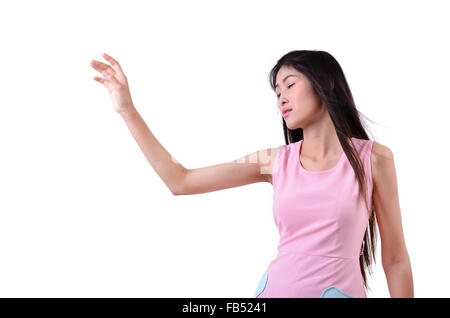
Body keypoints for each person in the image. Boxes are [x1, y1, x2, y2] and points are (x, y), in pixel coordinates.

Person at [90, 50, 414, 298]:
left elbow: (396, 258)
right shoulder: (273, 161)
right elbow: (181, 180)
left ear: (327, 83)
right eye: (277, 92)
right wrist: (126, 110)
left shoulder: (374, 159)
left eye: (290, 84)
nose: (282, 98)